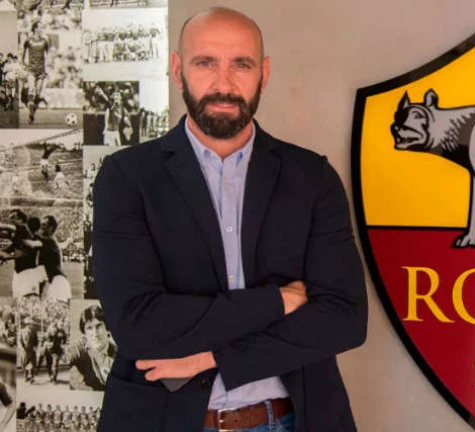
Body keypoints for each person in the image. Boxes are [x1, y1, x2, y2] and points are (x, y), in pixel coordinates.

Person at [93, 7, 367, 431]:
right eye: (205, 63)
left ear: (264, 73)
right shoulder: (127, 177)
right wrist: (277, 302)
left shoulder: (312, 177)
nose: (224, 84)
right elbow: (138, 326)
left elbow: (344, 319)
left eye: (241, 64)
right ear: (178, 70)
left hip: (293, 420)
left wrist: (214, 358)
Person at [68, 305, 115, 391]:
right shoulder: (79, 352)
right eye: (89, 328)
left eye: (99, 326)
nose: (95, 333)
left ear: (107, 328)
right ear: (85, 333)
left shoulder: (119, 354)